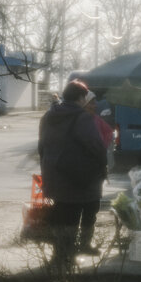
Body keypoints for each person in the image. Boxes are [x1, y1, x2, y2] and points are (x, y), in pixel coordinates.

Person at [38, 80, 107, 267]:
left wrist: (48, 168)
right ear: (81, 97)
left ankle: (60, 255)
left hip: (54, 175)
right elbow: (96, 146)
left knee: (62, 215)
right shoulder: (81, 117)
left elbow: (41, 146)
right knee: (79, 214)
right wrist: (103, 165)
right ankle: (70, 254)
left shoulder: (48, 116)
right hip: (79, 177)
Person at [77, 91, 114, 255]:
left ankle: (85, 243)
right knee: (77, 210)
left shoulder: (95, 121)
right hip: (80, 173)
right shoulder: (78, 123)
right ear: (82, 104)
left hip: (94, 174)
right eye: (91, 102)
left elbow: (106, 138)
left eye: (94, 102)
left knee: (91, 210)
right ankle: (74, 245)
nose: (95, 105)